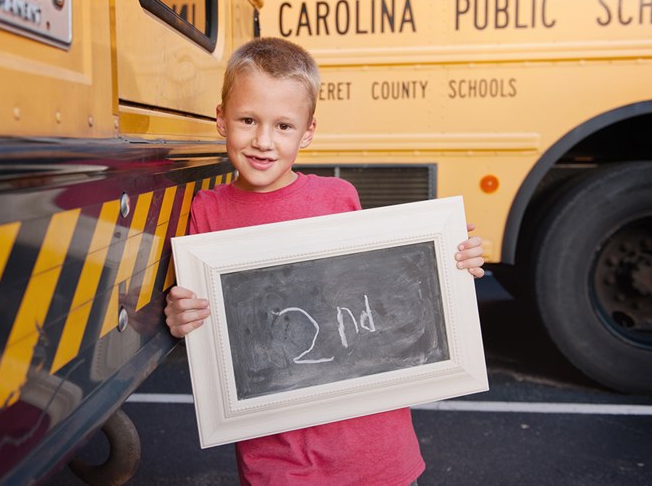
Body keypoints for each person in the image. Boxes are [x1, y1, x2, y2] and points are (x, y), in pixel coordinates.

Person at [165, 37, 485, 485]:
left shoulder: (337, 199)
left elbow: (384, 293)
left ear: (308, 131)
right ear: (221, 119)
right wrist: (182, 319)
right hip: (279, 460)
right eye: (247, 120)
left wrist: (454, 262)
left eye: (283, 126)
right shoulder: (208, 213)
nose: (262, 141)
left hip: (377, 452)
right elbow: (209, 334)